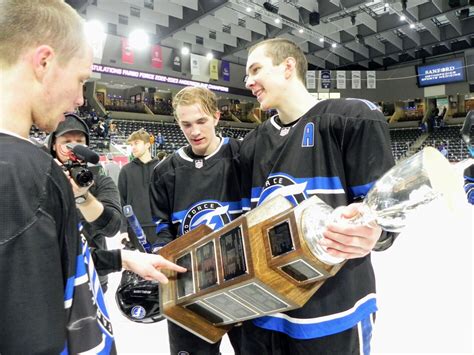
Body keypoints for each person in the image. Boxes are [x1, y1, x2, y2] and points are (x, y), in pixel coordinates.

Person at [0, 1, 185, 353]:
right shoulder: (26, 173)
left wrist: (124, 259)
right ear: (44, 62)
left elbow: (52, 268)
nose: (79, 99)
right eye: (81, 80)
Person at [240, 38, 397, 354]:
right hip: (267, 313)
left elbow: (386, 212)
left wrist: (375, 232)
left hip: (335, 309)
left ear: (288, 67)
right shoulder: (252, 143)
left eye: (256, 69)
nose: (248, 82)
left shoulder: (352, 117)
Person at [150, 86, 242, 355]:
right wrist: (160, 251)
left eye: (201, 121)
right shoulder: (164, 172)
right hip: (190, 287)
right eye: (186, 124)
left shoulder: (242, 155)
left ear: (216, 116)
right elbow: (163, 228)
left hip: (243, 282)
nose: (195, 131)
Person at [47, 113, 122, 292]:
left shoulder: (100, 181)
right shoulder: (42, 178)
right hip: (52, 278)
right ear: (54, 146)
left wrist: (83, 197)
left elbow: (112, 227)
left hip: (94, 274)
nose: (74, 148)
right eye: (67, 142)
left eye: (79, 142)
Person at [118, 128, 160, 249]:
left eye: (136, 143)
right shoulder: (125, 171)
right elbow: (122, 201)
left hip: (160, 227)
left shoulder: (162, 167)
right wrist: (123, 229)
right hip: (136, 229)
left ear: (147, 144)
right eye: (131, 145)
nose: (133, 147)